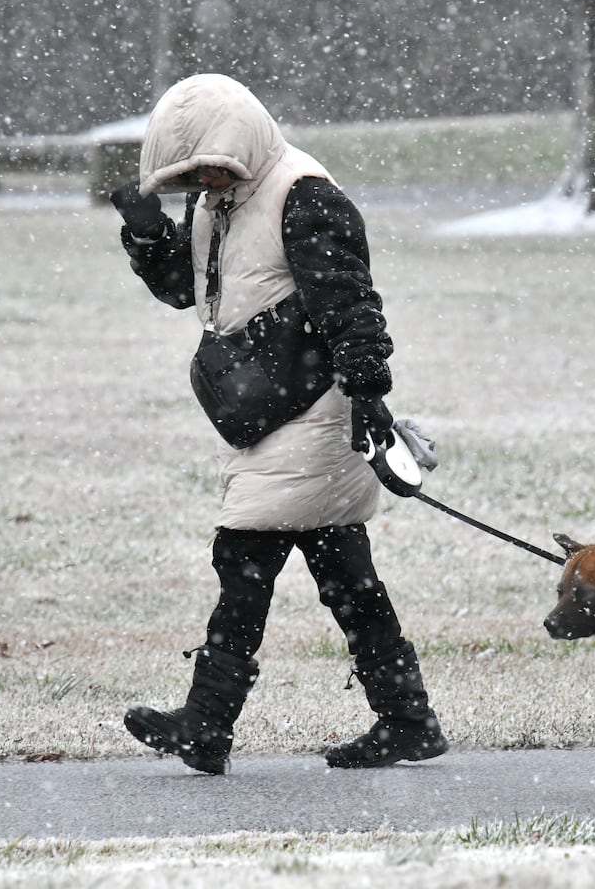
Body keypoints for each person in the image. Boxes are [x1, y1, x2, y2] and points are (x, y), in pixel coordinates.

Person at [108, 73, 448, 775]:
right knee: (344, 575)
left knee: (245, 560)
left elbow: (349, 302)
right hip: (271, 408)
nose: (201, 180)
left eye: (209, 165)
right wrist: (148, 235)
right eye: (189, 173)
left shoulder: (303, 193)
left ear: (241, 143)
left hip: (315, 409)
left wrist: (366, 393)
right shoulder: (220, 202)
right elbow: (189, 291)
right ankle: (406, 718)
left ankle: (207, 723)